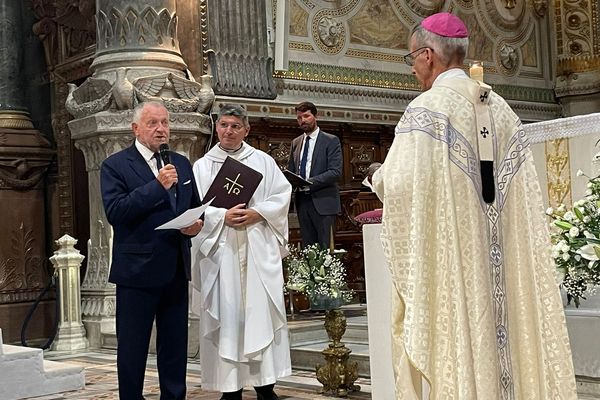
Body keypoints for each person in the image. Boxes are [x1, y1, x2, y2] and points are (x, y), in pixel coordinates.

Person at [370, 13, 577, 399]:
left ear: (429, 55)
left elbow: (399, 185)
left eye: (411, 57)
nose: (412, 67)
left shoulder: (427, 111)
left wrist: (377, 177)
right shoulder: (503, 111)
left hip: (459, 265)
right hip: (503, 261)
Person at [101, 101, 203, 400]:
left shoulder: (181, 163)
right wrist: (156, 186)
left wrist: (197, 225)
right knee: (133, 348)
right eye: (153, 123)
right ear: (136, 128)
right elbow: (116, 212)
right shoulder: (116, 165)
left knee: (174, 345)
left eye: (165, 123)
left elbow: (195, 206)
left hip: (174, 267)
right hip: (136, 272)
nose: (161, 129)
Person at [190, 104, 292, 400]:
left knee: (259, 314)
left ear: (246, 130)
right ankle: (229, 388)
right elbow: (194, 210)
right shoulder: (202, 166)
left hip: (256, 248)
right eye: (223, 125)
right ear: (216, 128)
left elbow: (281, 196)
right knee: (228, 316)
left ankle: (265, 386)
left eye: (235, 126)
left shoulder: (263, 161)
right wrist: (221, 216)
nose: (229, 131)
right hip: (220, 253)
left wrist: (258, 213)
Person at [287, 101, 342, 248]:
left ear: (315, 116)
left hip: (323, 201)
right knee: (308, 249)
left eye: (306, 116)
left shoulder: (331, 140)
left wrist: (309, 182)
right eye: (299, 117)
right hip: (302, 202)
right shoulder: (296, 142)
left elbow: (335, 172)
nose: (303, 120)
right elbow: (291, 171)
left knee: (326, 249)